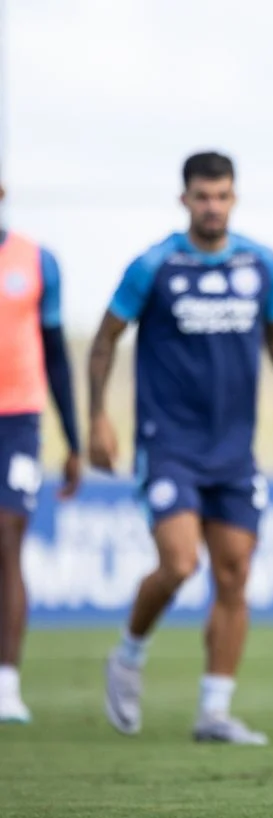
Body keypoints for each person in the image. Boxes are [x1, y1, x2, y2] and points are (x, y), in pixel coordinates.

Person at [89, 151, 273, 745]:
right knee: (179, 563)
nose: (212, 206)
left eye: (222, 196)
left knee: (234, 576)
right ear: (185, 200)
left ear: (234, 197)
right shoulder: (154, 266)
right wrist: (97, 418)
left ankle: (214, 711)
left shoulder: (259, 263)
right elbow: (103, 341)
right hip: (169, 442)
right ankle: (128, 655)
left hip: (233, 449)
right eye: (202, 196)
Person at [0, 174, 81, 723]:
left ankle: (6, 686)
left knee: (7, 539)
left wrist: (74, 440)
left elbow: (54, 354)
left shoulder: (36, 261)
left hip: (18, 420)